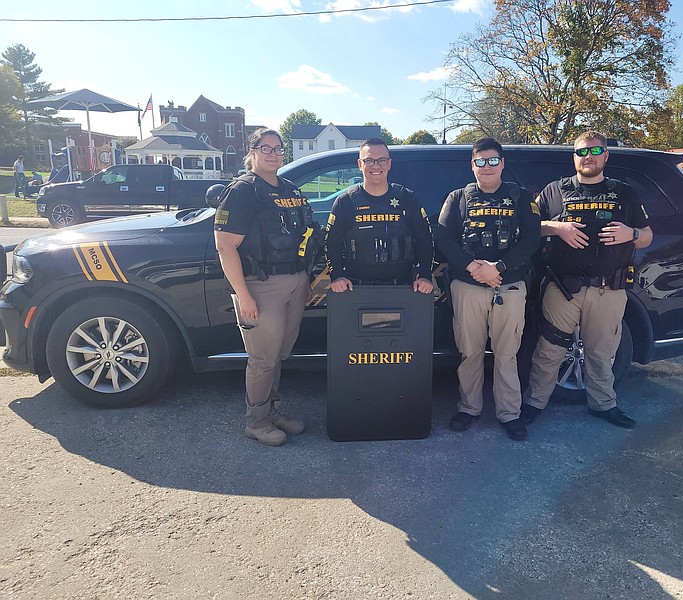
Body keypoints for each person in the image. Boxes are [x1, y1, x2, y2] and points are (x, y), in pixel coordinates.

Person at [522, 130, 653, 429]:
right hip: (562, 288)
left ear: (605, 155)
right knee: (549, 350)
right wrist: (559, 228)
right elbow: (531, 227)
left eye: (594, 152)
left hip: (609, 288)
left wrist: (630, 234)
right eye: (582, 152)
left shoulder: (624, 192)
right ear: (574, 157)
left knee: (602, 352)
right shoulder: (554, 190)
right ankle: (534, 403)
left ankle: (604, 404)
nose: (588, 157)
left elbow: (647, 235)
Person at [214, 128, 320, 447]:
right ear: (253, 151)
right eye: (266, 148)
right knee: (262, 358)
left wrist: (306, 279)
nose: (274, 154)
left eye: (278, 149)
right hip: (261, 285)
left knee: (278, 355)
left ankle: (273, 411)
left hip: (296, 281)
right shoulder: (243, 190)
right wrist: (243, 296)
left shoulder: (288, 187)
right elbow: (225, 246)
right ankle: (256, 422)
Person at [436, 138, 541, 441]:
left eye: (493, 161)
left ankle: (510, 413)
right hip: (467, 285)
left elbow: (531, 240)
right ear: (472, 165)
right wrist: (474, 268)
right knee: (470, 352)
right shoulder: (457, 198)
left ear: (502, 163)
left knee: (507, 354)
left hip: (508, 286)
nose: (486, 167)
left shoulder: (521, 198)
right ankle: (469, 408)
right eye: (480, 161)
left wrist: (499, 268)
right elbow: (444, 238)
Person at [324, 138, 434, 294]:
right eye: (369, 160)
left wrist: (425, 275)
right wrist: (337, 276)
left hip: (404, 288)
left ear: (389, 164)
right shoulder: (346, 202)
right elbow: (331, 243)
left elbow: (425, 240)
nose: (375, 166)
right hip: (355, 288)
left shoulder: (407, 199)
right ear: (359, 164)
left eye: (381, 160)